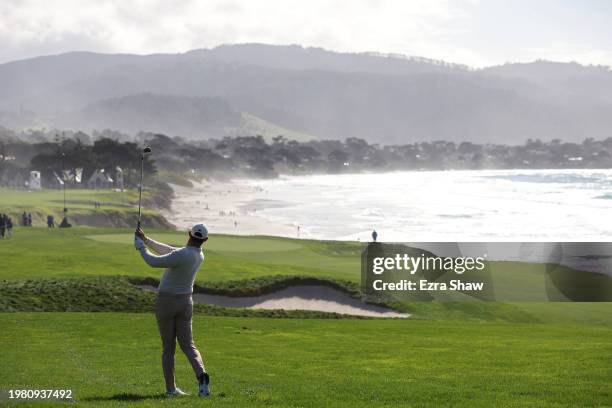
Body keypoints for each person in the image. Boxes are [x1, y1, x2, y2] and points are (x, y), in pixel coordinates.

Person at [134, 224, 210, 397]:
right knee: (189, 345)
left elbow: (153, 262)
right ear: (204, 240)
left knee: (168, 349)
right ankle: (201, 376)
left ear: (189, 235)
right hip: (186, 303)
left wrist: (141, 248)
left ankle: (171, 389)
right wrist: (145, 239)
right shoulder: (199, 255)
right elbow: (169, 250)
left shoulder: (182, 254)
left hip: (167, 302)